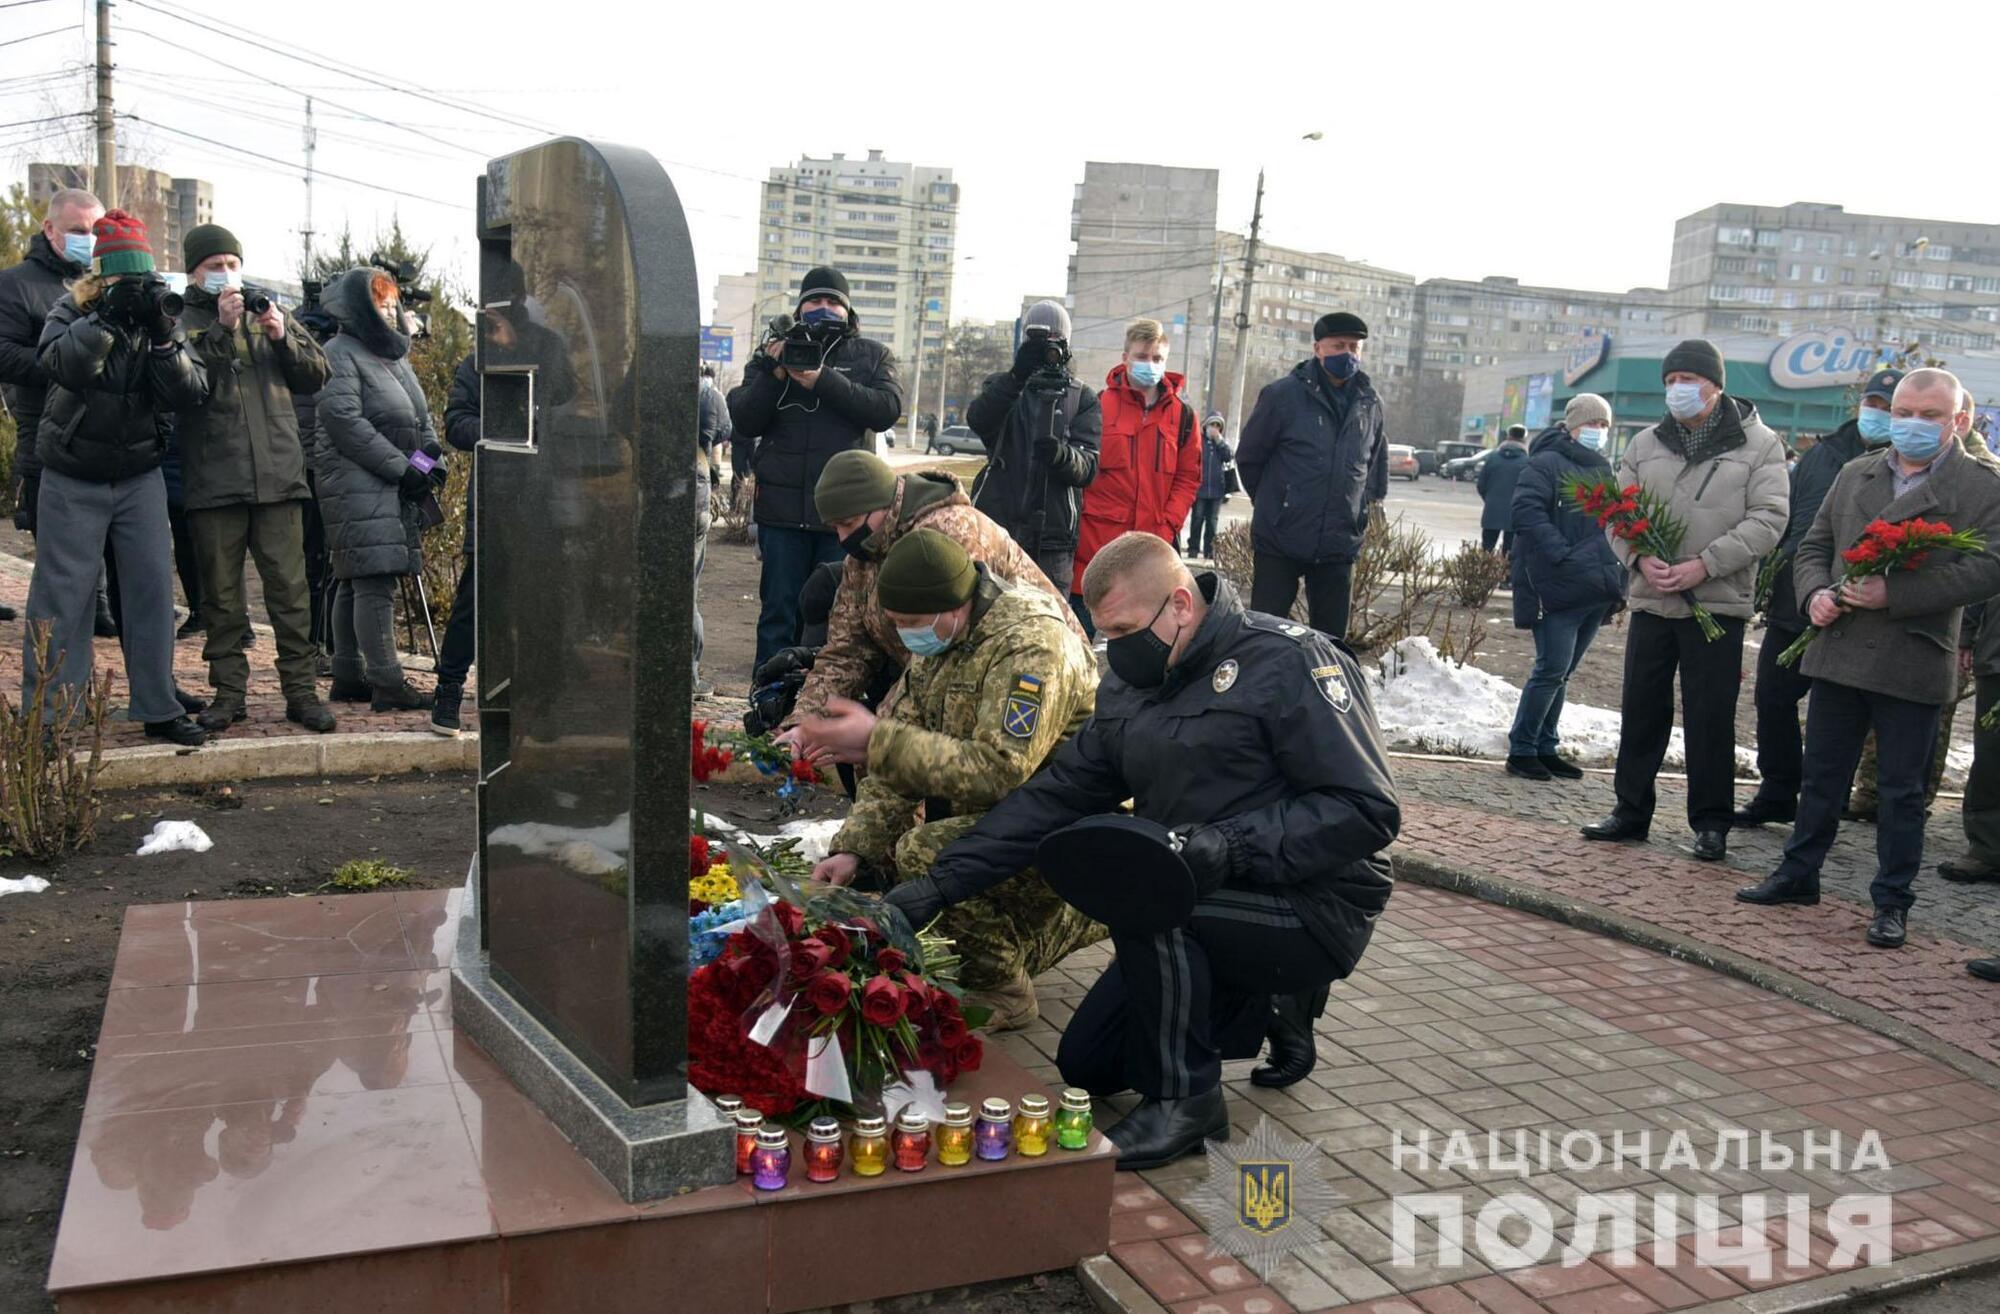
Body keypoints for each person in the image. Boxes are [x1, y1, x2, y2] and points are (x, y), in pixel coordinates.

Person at [885, 532, 1398, 1168]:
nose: (1117, 649)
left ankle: (1188, 1104)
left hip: (1313, 902)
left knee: (1148, 900)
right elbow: (1057, 796)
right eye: (1106, 635)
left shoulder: (1290, 663)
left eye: (1125, 630)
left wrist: (1232, 845)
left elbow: (1366, 810)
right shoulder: (1134, 686)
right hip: (1205, 889)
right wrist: (939, 884)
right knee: (1089, 1064)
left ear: (1180, 604)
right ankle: (1267, 1002)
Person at [1738, 369, 2000, 949]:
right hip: (1840, 648)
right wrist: (1814, 594)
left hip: (1913, 658)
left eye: (1928, 415)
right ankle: (1798, 873)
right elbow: (1814, 544)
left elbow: (1990, 567)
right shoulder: (1858, 471)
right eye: (1903, 412)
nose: (1910, 424)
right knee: (1822, 777)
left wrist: (1896, 593)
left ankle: (1892, 901)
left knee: (1900, 792)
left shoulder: (1982, 485)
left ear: (1959, 421)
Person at [804, 530, 1103, 1028]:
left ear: (954, 604)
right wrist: (854, 848)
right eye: (896, 623)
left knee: (927, 854)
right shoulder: (942, 636)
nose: (905, 636)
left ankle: (1008, 987)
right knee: (913, 858)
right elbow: (902, 756)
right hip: (1010, 822)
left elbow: (1001, 769)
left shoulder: (1031, 644)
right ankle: (1014, 945)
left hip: (1070, 824)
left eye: (910, 623)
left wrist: (879, 740)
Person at [1582, 340, 1788, 863]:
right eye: (1671, 380)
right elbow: (1617, 512)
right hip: (1653, 599)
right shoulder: (1645, 443)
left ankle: (1712, 822)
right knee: (1641, 710)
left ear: (1715, 386)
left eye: (1688, 380)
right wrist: (1638, 557)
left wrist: (1706, 564)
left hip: (1716, 604)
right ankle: (1630, 811)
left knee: (1710, 717)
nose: (1678, 389)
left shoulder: (1760, 444)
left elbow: (1768, 519)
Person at [21, 209, 208, 745]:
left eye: (141, 277)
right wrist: (103, 320)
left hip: (139, 474)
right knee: (62, 598)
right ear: (101, 278)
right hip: (73, 472)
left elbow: (189, 391)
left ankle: (158, 706)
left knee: (152, 593)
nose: (135, 287)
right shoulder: (70, 311)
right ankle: (50, 717)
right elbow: (64, 366)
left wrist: (163, 335)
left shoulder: (159, 316)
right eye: (124, 278)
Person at [775, 449, 1081, 742]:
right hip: (951, 683)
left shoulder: (950, 535)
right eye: (835, 528)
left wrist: (877, 738)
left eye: (848, 524)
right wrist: (805, 724)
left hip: (1031, 684)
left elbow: (947, 661)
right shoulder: (865, 553)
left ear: (882, 505)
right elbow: (847, 651)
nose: (843, 538)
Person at [174, 224, 335, 735]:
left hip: (278, 477)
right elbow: (184, 387)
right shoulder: (180, 321)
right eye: (214, 265)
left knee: (290, 593)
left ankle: (301, 692)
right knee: (221, 598)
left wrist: (282, 336)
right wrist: (221, 330)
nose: (226, 273)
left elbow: (317, 373)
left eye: (232, 263)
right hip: (214, 479)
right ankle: (228, 694)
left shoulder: (269, 311)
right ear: (193, 272)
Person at [1736, 369, 1902, 828]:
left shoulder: (1903, 466)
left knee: (1843, 714)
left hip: (1857, 609)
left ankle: (1824, 803)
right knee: (1772, 696)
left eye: (1890, 408)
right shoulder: (1824, 453)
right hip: (1796, 600)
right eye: (1873, 403)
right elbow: (1791, 519)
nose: (1878, 414)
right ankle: (1777, 790)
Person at [728, 266, 903, 672]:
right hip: (782, 516)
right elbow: (745, 420)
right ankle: (768, 699)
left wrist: (822, 379)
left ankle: (823, 702)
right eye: (814, 301)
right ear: (799, 309)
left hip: (844, 518)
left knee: (838, 619)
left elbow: (885, 410)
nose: (823, 309)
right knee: (778, 616)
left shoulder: (872, 356)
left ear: (848, 311)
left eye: (832, 302)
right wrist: (774, 373)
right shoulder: (772, 354)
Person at [434, 286, 578, 734]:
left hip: (541, 499)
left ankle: (539, 704)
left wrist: (522, 343)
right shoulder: (475, 363)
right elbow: (456, 424)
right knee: (474, 603)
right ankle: (448, 690)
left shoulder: (544, 348)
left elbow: (566, 389)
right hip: (494, 497)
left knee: (541, 605)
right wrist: (503, 429)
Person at [313, 266, 442, 712]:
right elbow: (345, 423)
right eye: (379, 304)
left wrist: (429, 465)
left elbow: (422, 421)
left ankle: (348, 675)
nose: (389, 313)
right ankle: (387, 682)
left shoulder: (394, 357)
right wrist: (402, 469)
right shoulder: (338, 353)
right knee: (372, 579)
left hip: (391, 480)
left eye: (392, 305)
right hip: (355, 481)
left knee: (355, 579)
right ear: (358, 308)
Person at [1236, 312, 1388, 641]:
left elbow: (1372, 464)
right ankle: (1267, 678)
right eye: (1338, 345)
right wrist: (1275, 503)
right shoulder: (1282, 396)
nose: (1347, 353)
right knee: (1265, 635)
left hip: (1339, 541)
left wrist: (1359, 512)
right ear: (1318, 348)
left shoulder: (1370, 402)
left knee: (1330, 643)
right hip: (1281, 538)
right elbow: (1249, 458)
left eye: (1354, 347)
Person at [2, 187, 112, 634]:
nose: (89, 239)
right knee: (57, 533)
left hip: (103, 425)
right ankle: (61, 624)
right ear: (49, 229)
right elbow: (4, 354)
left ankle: (100, 604)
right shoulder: (16, 285)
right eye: (78, 230)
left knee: (105, 522)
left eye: (95, 231)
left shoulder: (109, 282)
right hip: (44, 425)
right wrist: (66, 363)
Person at [1504, 395, 1625, 781]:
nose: (1598, 431)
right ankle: (1522, 749)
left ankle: (1546, 745)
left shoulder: (1602, 468)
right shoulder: (1546, 463)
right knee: (1551, 668)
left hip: (1594, 585)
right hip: (1555, 582)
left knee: (1563, 672)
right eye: (1592, 423)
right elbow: (1526, 513)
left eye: (1604, 426)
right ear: (1571, 426)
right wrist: (1562, 554)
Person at [1071, 318, 1200, 635]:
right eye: (1142, 357)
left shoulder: (1183, 417)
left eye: (1157, 358)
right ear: (1125, 357)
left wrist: (1167, 524)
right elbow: (1082, 472)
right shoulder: (1096, 405)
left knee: (1146, 649)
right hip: (1093, 552)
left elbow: (1188, 478)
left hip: (1150, 556)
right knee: (1078, 643)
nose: (1150, 365)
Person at [965, 299, 1101, 592]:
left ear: (1066, 343)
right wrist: (1017, 376)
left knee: (1050, 615)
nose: (1045, 348)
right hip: (997, 527)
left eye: (1053, 340)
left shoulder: (1081, 397)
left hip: (1053, 538)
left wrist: (1061, 456)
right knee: (988, 609)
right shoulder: (1002, 386)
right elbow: (979, 420)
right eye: (1037, 338)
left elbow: (1088, 466)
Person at [1477, 425, 1529, 555]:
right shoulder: (1527, 462)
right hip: (1515, 513)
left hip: (1491, 511)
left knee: (1486, 551)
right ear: (1524, 439)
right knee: (1509, 554)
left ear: (1508, 436)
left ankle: (1484, 568)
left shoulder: (1493, 458)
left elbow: (1481, 485)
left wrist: (1490, 499)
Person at [1186, 413, 1231, 561]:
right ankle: (1193, 548)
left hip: (1217, 490)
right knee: (1197, 519)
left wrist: (1219, 441)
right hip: (1200, 488)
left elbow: (1228, 456)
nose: (1215, 428)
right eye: (1212, 425)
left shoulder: (1220, 444)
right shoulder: (1199, 440)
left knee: (1212, 521)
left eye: (1218, 426)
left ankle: (1210, 551)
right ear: (1206, 426)